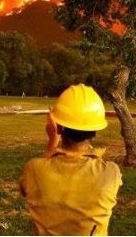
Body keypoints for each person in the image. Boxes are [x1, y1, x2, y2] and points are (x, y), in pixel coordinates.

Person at [19, 84, 123, 236]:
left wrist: (53, 141)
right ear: (95, 130)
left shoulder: (33, 169)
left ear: (58, 128)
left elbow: (26, 188)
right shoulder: (111, 172)